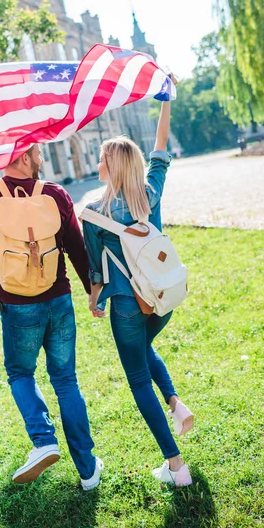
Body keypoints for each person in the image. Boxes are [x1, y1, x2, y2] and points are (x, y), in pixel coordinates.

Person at [0, 145, 103, 490]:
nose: (41, 159)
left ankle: (43, 441)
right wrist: (92, 291)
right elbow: (75, 246)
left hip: (16, 304)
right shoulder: (56, 194)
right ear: (25, 157)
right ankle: (87, 471)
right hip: (58, 300)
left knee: (20, 373)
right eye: (38, 153)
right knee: (66, 381)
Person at [82, 87, 194, 487]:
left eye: (101, 158)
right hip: (164, 296)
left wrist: (95, 301)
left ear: (110, 164)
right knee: (145, 350)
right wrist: (166, 100)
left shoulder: (94, 212)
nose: (97, 162)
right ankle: (177, 404)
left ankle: (176, 466)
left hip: (128, 305)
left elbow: (96, 270)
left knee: (136, 377)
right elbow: (161, 146)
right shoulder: (150, 192)